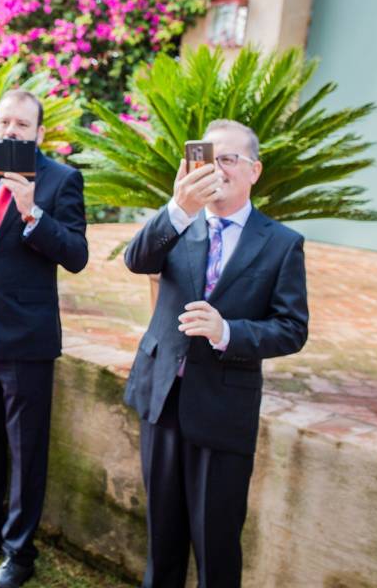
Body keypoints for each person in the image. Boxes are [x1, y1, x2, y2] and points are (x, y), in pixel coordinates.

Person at [123, 119, 309, 588]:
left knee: (216, 543)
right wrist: (177, 208)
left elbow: (291, 329)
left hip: (225, 408)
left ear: (255, 170)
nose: (217, 168)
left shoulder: (283, 244)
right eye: (207, 157)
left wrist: (228, 331)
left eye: (230, 159)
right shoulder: (178, 222)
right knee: (161, 539)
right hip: (162, 399)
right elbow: (136, 260)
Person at [0, 89, 89, 588]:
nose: (11, 131)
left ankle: (19, 553)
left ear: (40, 134)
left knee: (26, 451)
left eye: (22, 125)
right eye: (4, 122)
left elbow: (76, 254)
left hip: (29, 340)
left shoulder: (62, 180)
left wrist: (34, 214)